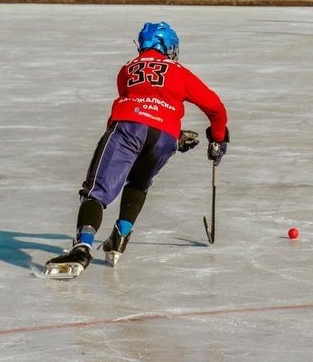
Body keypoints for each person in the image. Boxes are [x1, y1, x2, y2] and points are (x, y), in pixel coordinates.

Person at [45, 22, 229, 274]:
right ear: (168, 47)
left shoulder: (127, 69)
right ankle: (120, 238)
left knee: (96, 192)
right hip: (164, 137)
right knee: (139, 183)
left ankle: (82, 248)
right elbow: (215, 107)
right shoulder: (181, 71)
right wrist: (217, 138)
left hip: (129, 128)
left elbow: (140, 106)